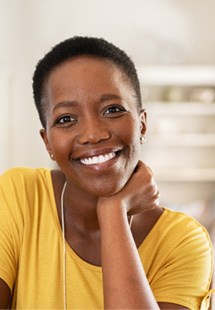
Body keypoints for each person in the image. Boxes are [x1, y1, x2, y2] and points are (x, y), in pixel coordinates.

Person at [0, 36, 213, 309]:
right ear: (48, 143)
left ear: (143, 125)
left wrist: (113, 212)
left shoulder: (182, 242)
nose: (93, 134)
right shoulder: (19, 196)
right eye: (66, 119)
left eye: (113, 110)